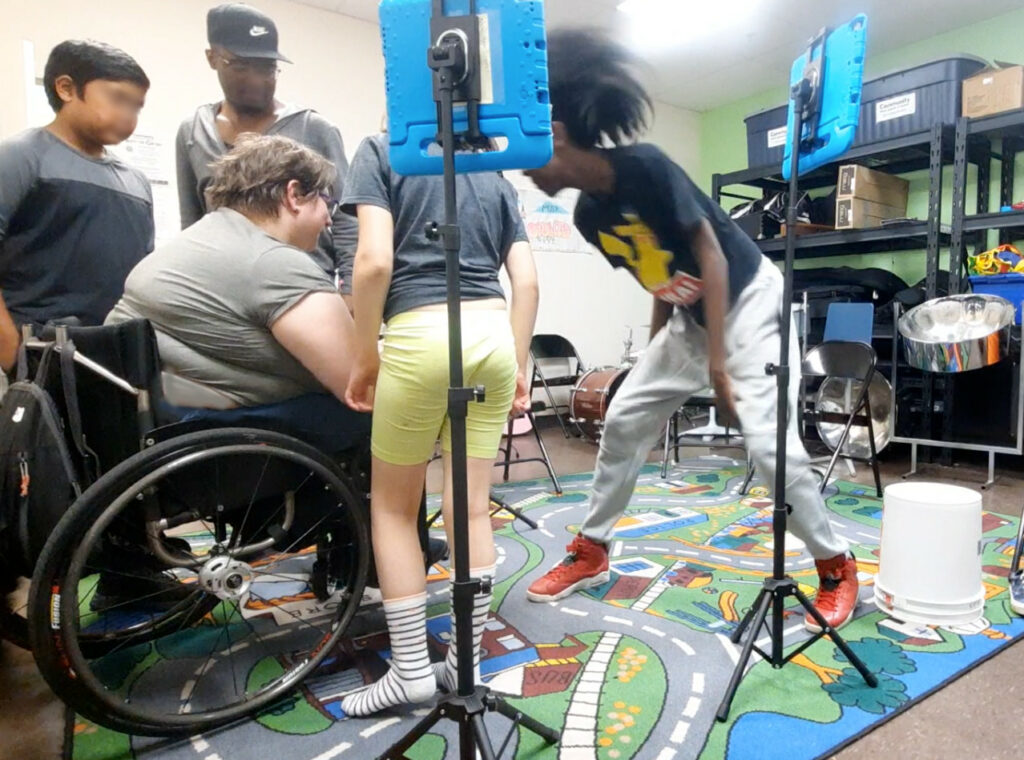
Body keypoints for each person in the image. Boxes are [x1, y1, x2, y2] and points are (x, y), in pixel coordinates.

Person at [522, 29, 859, 634]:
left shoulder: (645, 168)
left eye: (529, 147)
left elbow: (714, 257)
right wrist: (651, 360)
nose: (522, 166)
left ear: (558, 132)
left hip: (749, 299)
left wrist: (721, 371)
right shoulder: (588, 215)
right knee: (624, 417)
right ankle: (593, 549)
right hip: (691, 316)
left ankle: (835, 565)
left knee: (768, 447)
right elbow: (659, 279)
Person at [339, 133, 539, 716]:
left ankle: (409, 673)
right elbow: (526, 283)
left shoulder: (382, 152)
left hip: (420, 333)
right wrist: (519, 361)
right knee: (471, 506)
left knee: (395, 508)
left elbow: (374, 261)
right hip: (493, 334)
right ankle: (467, 661)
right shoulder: (493, 174)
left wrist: (364, 353)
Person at [108, 134, 365, 454]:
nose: (329, 218)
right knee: (387, 414)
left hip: (153, 427)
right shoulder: (273, 262)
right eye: (326, 201)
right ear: (294, 194)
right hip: (226, 436)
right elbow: (361, 387)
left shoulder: (194, 241)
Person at [176, 2, 358, 299]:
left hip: (302, 288)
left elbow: (348, 215)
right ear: (212, 58)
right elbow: (194, 223)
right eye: (241, 66)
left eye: (267, 68)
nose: (256, 79)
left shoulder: (313, 128)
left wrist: (351, 290)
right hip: (226, 293)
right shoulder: (193, 132)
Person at [0, 40, 153, 368]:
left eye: (137, 106)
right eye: (118, 99)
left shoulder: (136, 182)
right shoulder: (19, 157)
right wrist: (11, 354)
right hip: (37, 355)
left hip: (112, 358)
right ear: (67, 89)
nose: (130, 115)